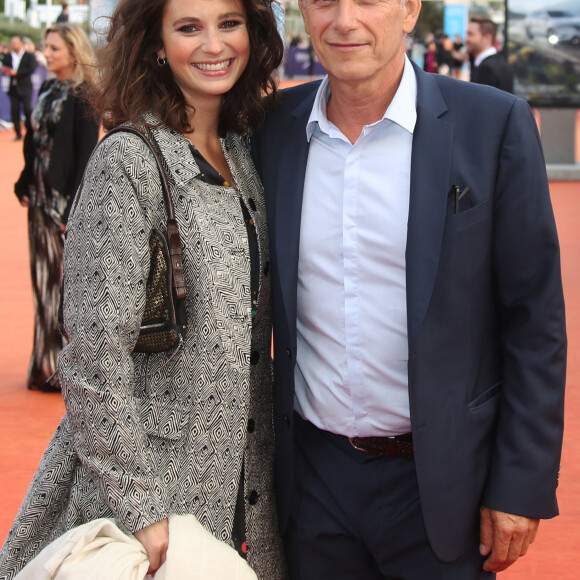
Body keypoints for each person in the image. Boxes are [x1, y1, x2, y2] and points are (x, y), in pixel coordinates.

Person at [252, 0, 566, 578]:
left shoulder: (492, 125)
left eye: (367, 0)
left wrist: (520, 481)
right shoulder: (272, 128)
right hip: (312, 482)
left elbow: (534, 319)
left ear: (409, 11)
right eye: (324, 1)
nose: (344, 21)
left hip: (444, 484)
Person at [0, 0, 285, 579]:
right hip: (150, 499)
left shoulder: (243, 152)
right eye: (188, 28)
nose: (214, 45)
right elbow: (91, 357)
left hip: (248, 491)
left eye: (229, 23)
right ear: (156, 43)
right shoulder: (127, 161)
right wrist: (144, 510)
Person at [12, 24, 99, 392]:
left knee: (66, 288)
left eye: (53, 49)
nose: (46, 54)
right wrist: (23, 181)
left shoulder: (85, 95)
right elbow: (35, 140)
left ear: (73, 53)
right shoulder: (47, 88)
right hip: (39, 200)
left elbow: (84, 158)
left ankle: (68, 368)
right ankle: (45, 362)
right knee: (43, 281)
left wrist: (73, 211)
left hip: (63, 204)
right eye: (46, 47)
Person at [0, 36, 37, 141]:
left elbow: (32, 68)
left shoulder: (29, 56)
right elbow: (4, 68)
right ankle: (18, 134)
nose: (13, 45)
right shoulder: (7, 57)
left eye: (15, 43)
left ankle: (30, 132)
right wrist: (6, 71)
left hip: (26, 87)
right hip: (13, 88)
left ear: (21, 43)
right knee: (14, 111)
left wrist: (17, 73)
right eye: (12, 43)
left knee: (27, 109)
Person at [465, 18, 514, 93]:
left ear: (487, 38)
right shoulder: (498, 62)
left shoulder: (487, 69)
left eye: (471, 34)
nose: (466, 39)